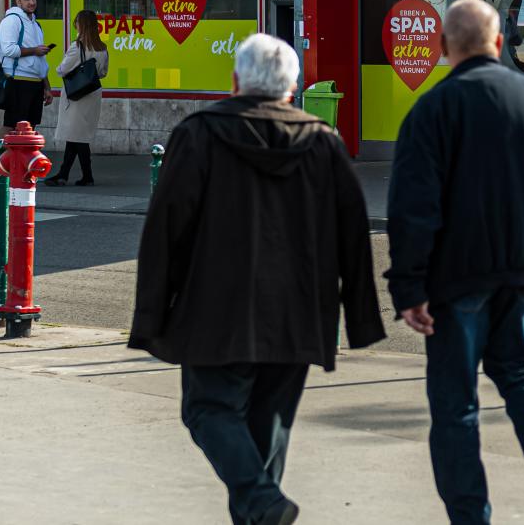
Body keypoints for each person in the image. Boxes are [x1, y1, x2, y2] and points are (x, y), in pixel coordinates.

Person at [130, 34, 384, 525]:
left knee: (208, 410)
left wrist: (154, 314)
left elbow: (166, 230)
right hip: (299, 310)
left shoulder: (199, 134)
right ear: (292, 88)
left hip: (216, 307)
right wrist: (358, 316)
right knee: (268, 431)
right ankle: (262, 502)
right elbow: (354, 233)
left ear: (235, 81)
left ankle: (262, 500)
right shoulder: (322, 140)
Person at [386, 0, 524, 525]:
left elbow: (413, 208)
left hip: (457, 281)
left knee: (456, 405)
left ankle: (470, 515)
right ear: (499, 44)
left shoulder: (432, 110)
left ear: (441, 48)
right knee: (520, 371)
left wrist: (409, 287)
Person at [47, 10, 109, 186]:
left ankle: (75, 175)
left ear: (81, 25)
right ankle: (67, 174)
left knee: (77, 136)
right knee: (77, 135)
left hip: (76, 95)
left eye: (76, 24)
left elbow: (61, 70)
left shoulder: (77, 46)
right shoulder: (102, 48)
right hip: (92, 94)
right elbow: (103, 73)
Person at [0, 0, 52, 135]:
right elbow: (8, 49)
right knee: (11, 126)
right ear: (18, 1)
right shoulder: (11, 20)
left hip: (36, 83)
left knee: (30, 128)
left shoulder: (36, 24)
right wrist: (34, 50)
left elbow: (41, 61)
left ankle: (22, 159)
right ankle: (0, 158)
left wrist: (47, 87)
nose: (32, 2)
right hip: (18, 81)